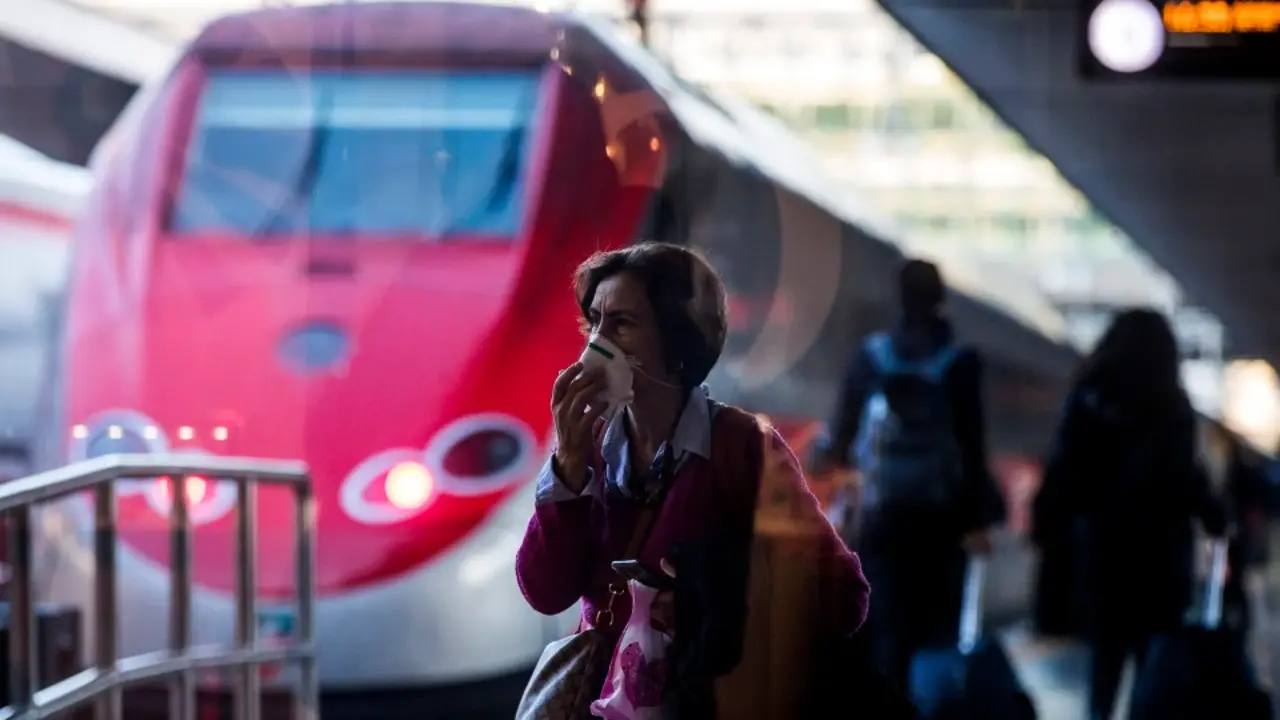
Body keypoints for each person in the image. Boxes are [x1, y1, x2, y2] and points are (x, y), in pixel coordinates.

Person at [514, 242, 871, 717]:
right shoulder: (592, 447)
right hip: (604, 700)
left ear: (678, 342)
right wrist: (568, 469)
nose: (598, 345)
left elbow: (843, 596)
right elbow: (545, 591)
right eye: (594, 322)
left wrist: (709, 593)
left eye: (622, 324)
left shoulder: (741, 447)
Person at [810, 258, 1004, 692]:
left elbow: (840, 437)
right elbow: (973, 449)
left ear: (898, 298)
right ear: (940, 299)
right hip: (943, 529)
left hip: (884, 524)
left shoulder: (871, 358)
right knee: (936, 640)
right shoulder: (962, 363)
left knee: (885, 633)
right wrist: (977, 520)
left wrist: (826, 457)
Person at [1033, 308, 1227, 720]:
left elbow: (1063, 472)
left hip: (1102, 553)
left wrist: (1051, 534)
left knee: (1105, 661)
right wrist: (1213, 515)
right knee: (1152, 665)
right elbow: (1183, 475)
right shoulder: (1172, 407)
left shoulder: (1085, 399)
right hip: (1160, 557)